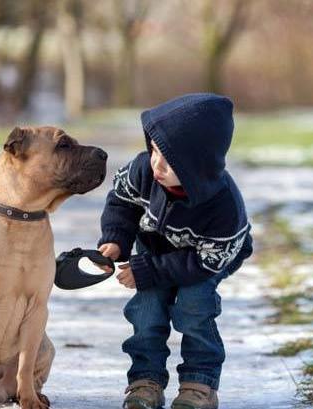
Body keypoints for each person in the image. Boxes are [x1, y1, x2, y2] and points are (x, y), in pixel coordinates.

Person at [97, 93, 253, 409]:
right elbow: (121, 202)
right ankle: (145, 381)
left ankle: (199, 384)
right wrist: (116, 239)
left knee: (194, 307)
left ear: (198, 166)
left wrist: (148, 270)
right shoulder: (143, 171)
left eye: (169, 160)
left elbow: (205, 261)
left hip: (206, 257)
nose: (156, 163)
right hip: (155, 244)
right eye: (154, 150)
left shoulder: (224, 207)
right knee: (147, 308)